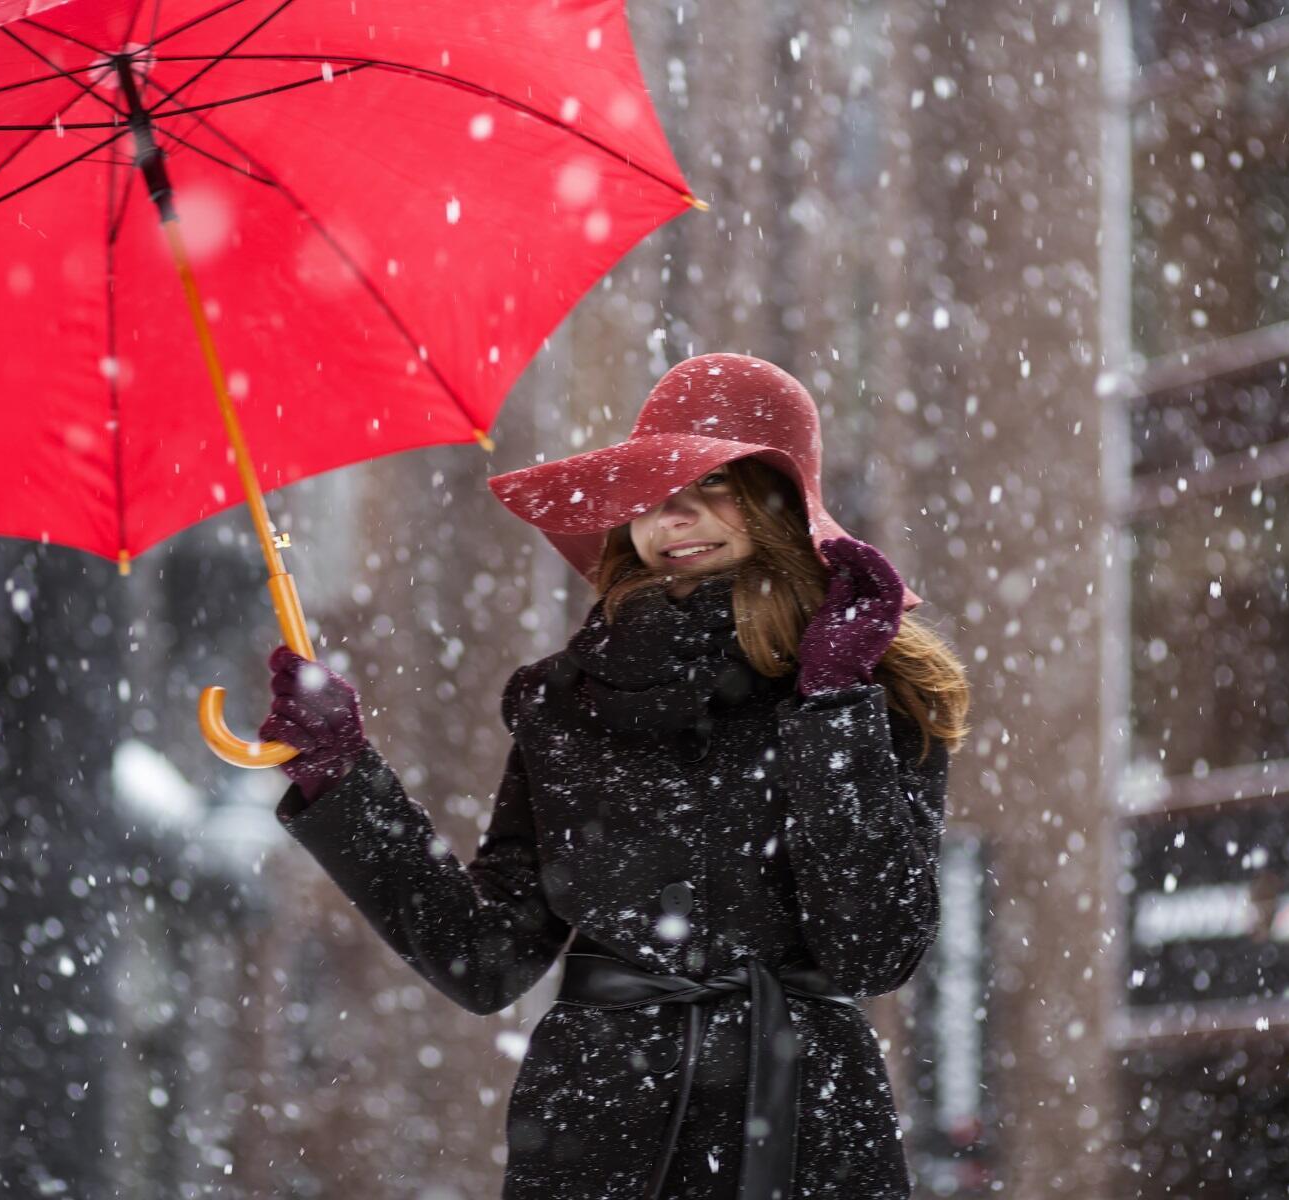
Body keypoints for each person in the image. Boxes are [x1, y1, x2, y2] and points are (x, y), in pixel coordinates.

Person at [258, 352, 970, 1200]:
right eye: (655, 493)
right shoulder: (565, 705)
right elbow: (484, 955)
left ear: (782, 509)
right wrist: (344, 778)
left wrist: (832, 704)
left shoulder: (877, 694)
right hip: (599, 1135)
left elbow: (875, 949)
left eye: (713, 485)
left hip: (806, 1131)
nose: (675, 515)